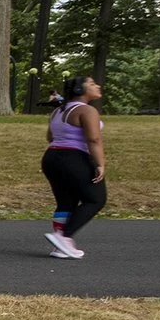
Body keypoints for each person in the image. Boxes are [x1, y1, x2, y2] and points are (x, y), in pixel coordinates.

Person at [43, 75, 107, 259]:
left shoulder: (57, 112)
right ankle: (64, 237)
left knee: (66, 202)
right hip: (74, 158)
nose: (98, 85)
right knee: (95, 199)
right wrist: (100, 164)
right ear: (80, 90)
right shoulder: (87, 111)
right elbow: (94, 139)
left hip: (52, 158)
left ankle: (60, 247)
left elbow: (50, 137)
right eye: (92, 84)